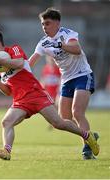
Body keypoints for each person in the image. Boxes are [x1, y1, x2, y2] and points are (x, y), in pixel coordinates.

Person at [0, 29, 99, 160]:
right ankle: (6, 151)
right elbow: (8, 91)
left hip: (36, 94)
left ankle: (88, 136)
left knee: (58, 123)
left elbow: (20, 63)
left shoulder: (13, 50)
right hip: (21, 101)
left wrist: (2, 61)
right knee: (6, 122)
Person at [28, 7, 99, 160]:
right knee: (62, 119)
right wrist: (15, 70)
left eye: (47, 23)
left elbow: (77, 49)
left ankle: (87, 149)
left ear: (57, 23)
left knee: (77, 112)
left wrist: (60, 45)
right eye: (42, 24)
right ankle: (90, 135)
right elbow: (31, 62)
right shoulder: (43, 42)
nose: (44, 27)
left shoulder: (68, 34)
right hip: (66, 79)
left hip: (82, 75)